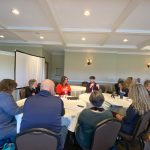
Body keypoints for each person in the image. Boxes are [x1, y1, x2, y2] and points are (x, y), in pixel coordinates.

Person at [20, 79, 68, 150]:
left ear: (40, 88)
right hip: (51, 140)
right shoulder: (58, 100)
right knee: (65, 127)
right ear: (51, 89)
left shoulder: (28, 100)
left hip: (26, 139)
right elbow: (62, 114)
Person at [0, 79, 22, 146]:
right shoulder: (4, 96)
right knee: (23, 128)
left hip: (3, 123)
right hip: (3, 127)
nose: (14, 90)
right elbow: (14, 111)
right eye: (14, 88)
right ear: (10, 87)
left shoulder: (2, 94)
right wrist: (26, 106)